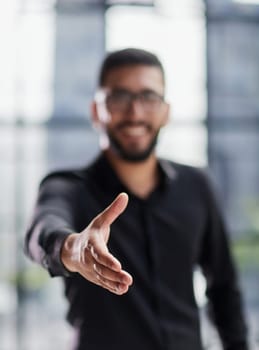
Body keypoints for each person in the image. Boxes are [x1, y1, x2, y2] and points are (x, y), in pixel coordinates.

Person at [25, 48, 248, 350]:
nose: (135, 113)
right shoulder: (67, 187)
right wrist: (72, 248)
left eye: (149, 97)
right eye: (119, 98)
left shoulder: (197, 186)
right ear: (96, 111)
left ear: (165, 112)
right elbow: (41, 230)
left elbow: (224, 290)